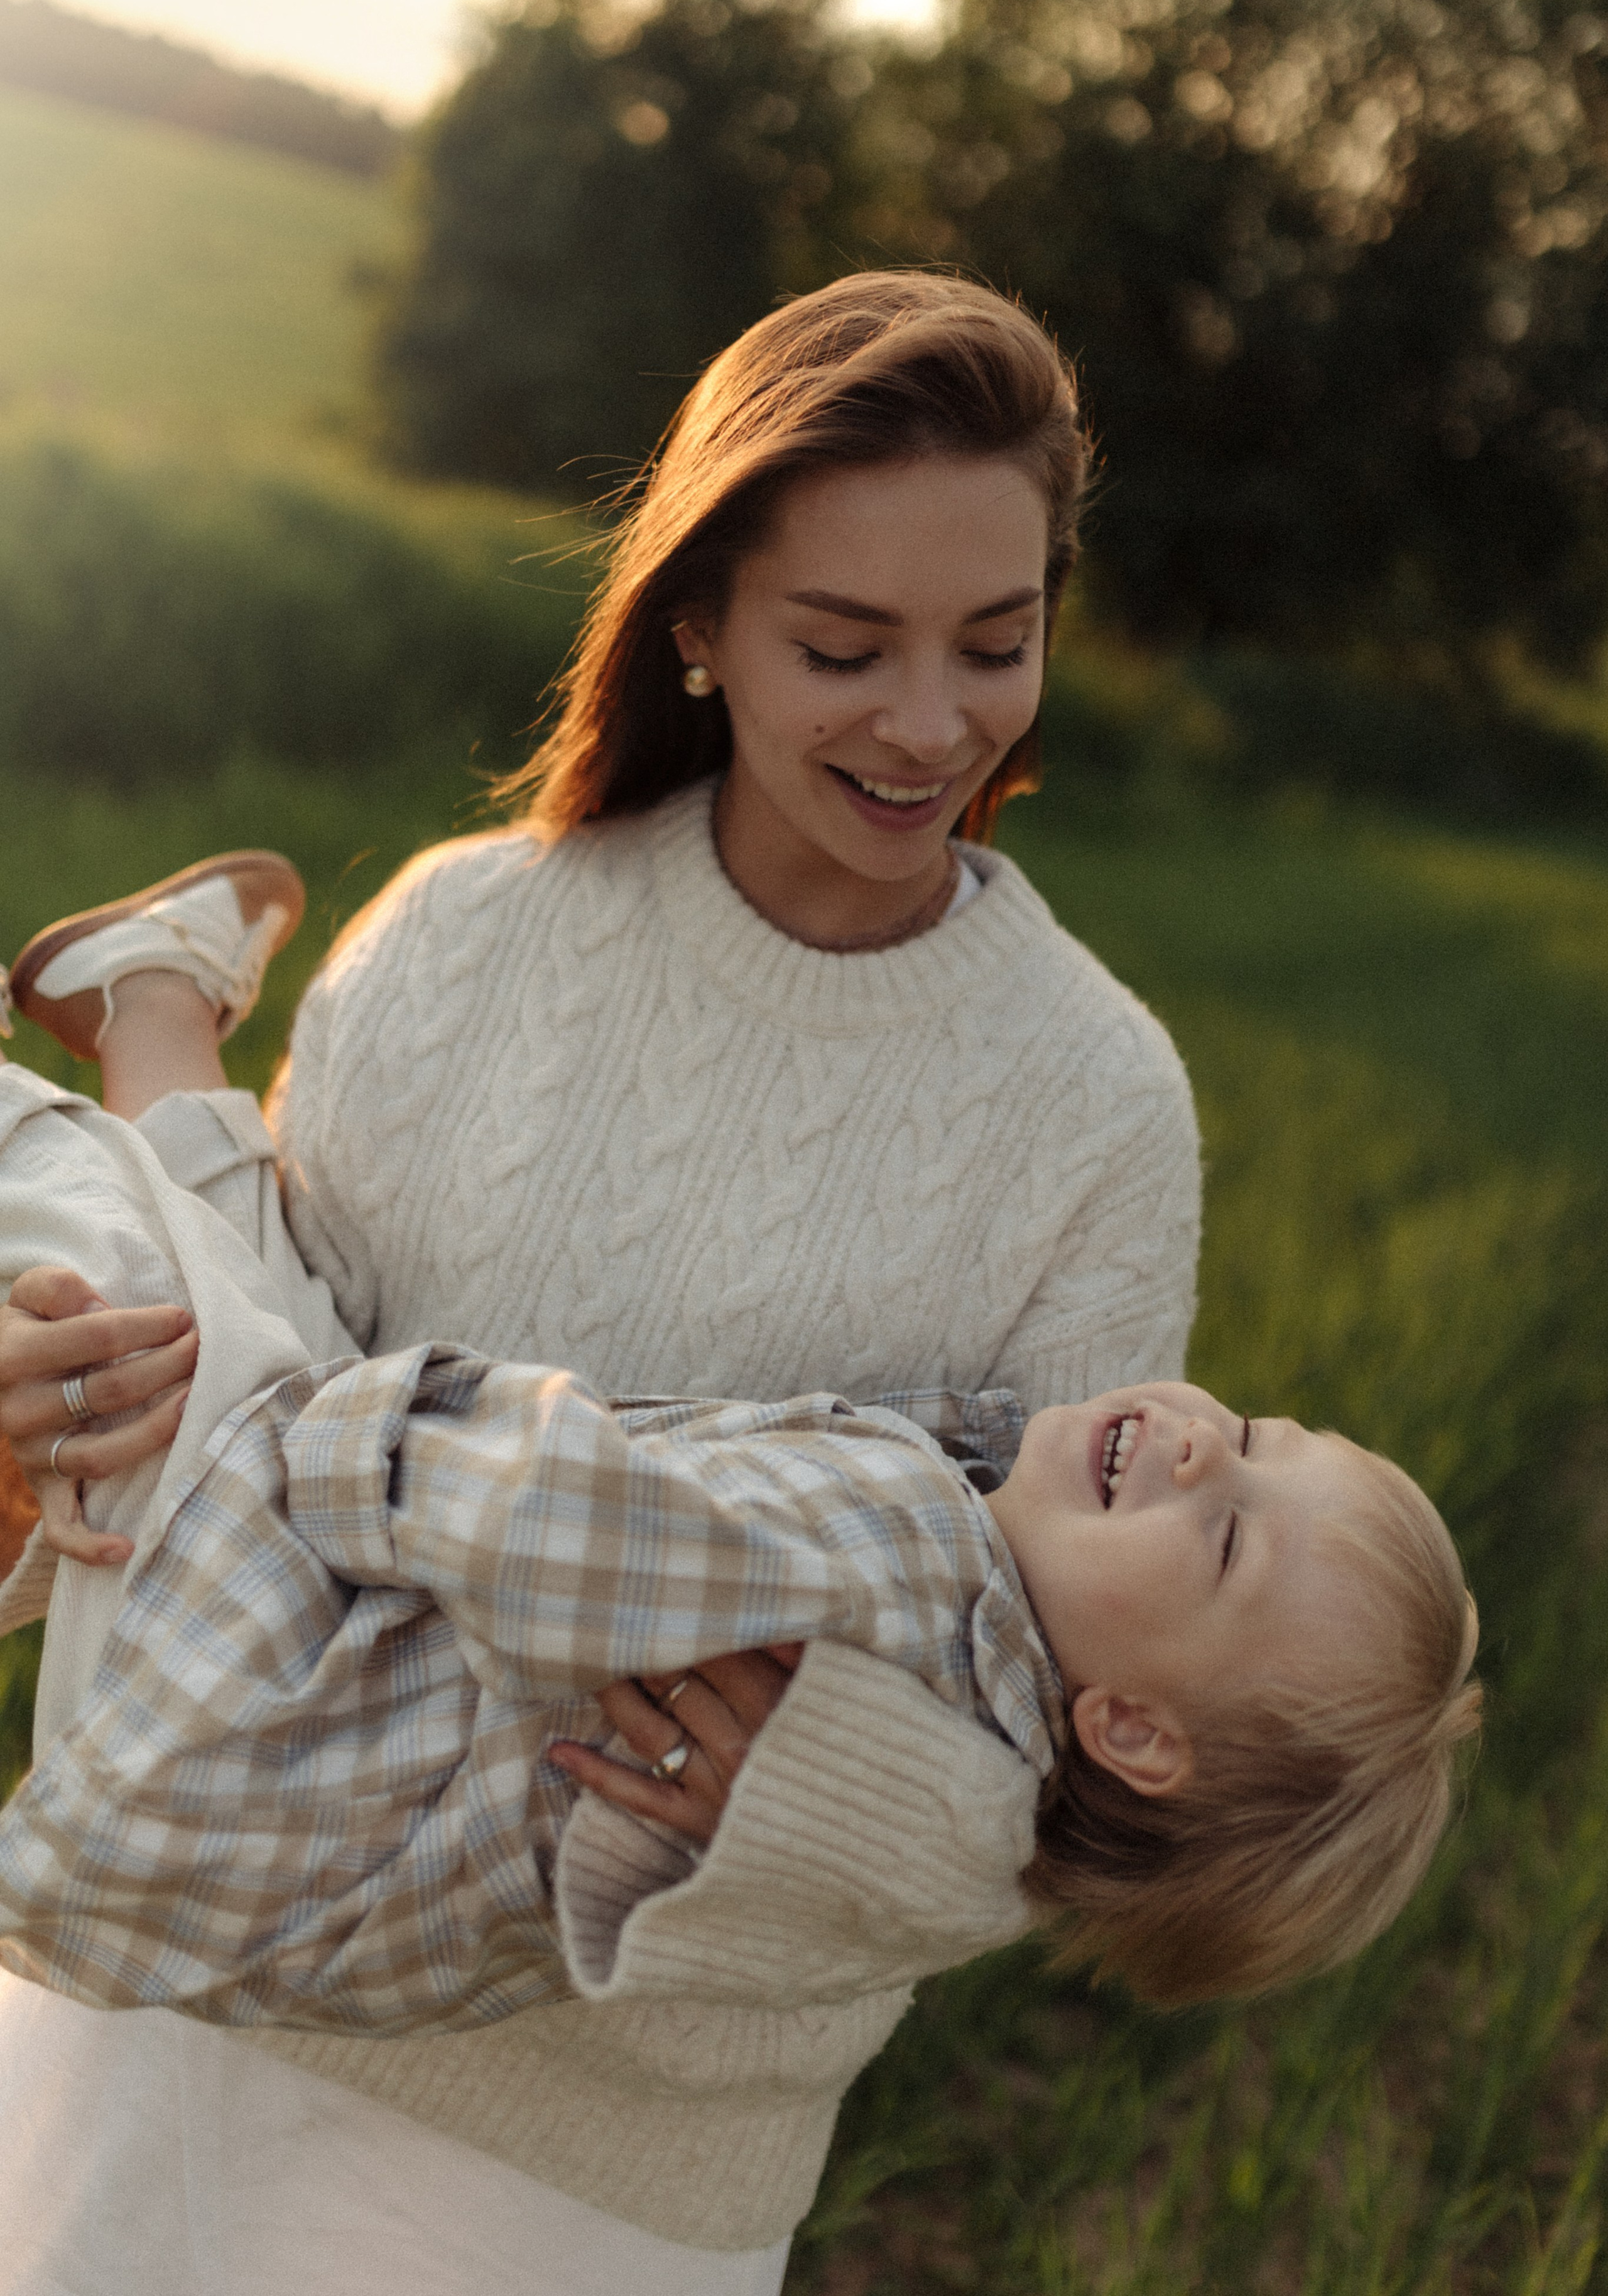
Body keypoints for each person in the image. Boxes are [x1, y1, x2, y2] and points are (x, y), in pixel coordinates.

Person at [0, 271, 1206, 2295]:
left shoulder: (1096, 1107)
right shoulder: (461, 943)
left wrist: (812, 1800)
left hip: (618, 2157)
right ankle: (147, 1014)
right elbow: (246, 1415)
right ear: (699, 629)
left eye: (998, 645)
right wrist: (40, 1424)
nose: (935, 725)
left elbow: (1086, 1714)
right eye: (847, 645)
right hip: (199, 2009)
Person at [0, 1048, 1479, 2052]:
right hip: (192, 1853)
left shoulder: (907, 1563)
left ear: (1133, 1729)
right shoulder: (953, 1828)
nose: (1206, 1444)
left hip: (232, 1661)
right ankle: (154, 1004)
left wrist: (310, 1433)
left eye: (1225, 1542)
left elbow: (554, 1533)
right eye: (1268, 1434)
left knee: (74, 1181)